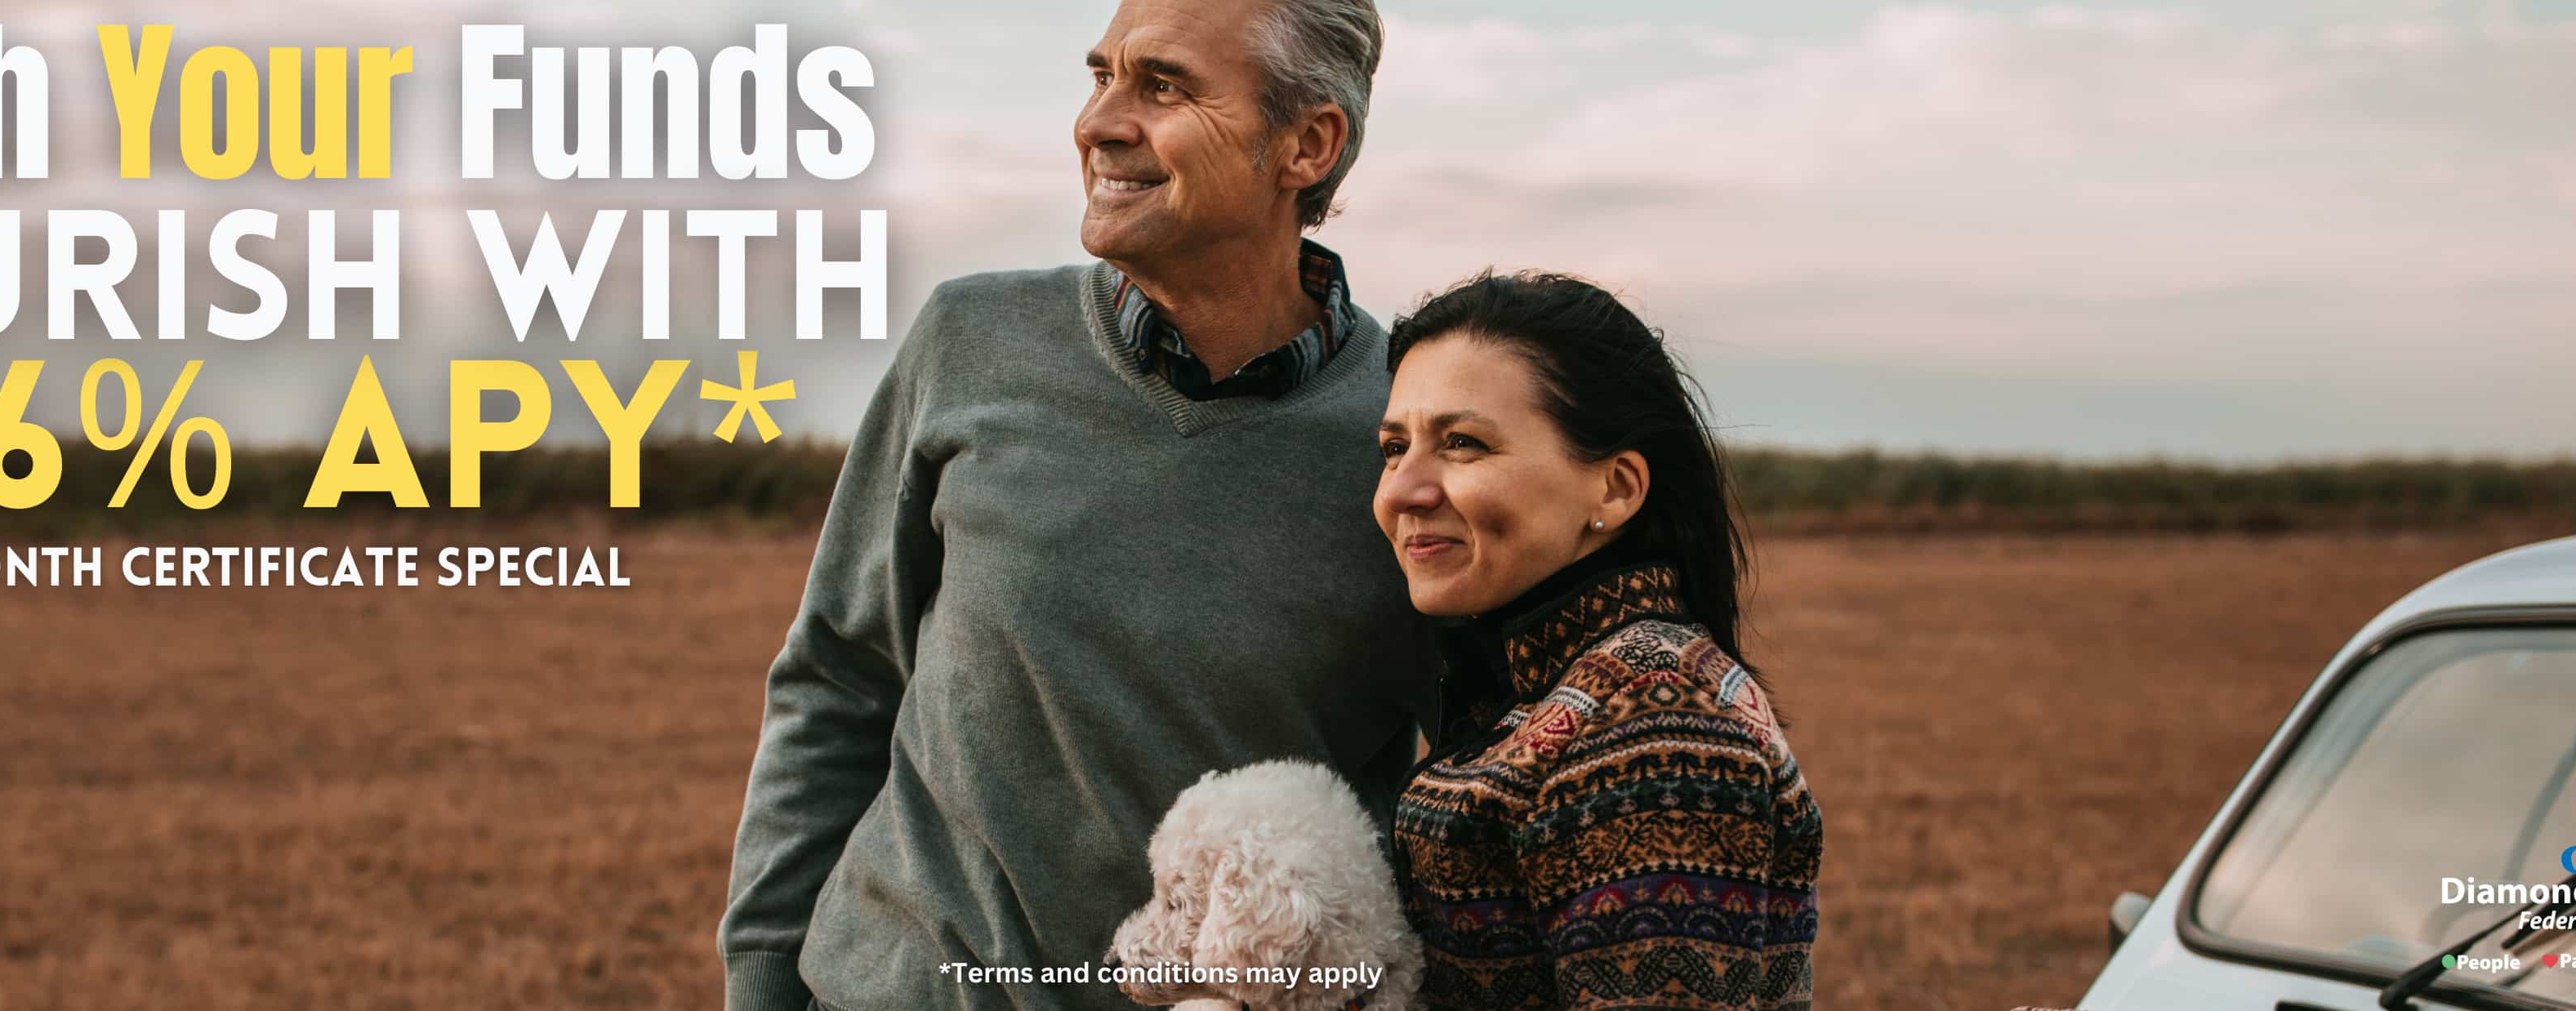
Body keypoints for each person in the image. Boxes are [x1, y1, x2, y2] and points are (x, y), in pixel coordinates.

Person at [717, 1, 1434, 1009]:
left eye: (1164, 85)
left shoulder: (1413, 431)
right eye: (1101, 76)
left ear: (1306, 144)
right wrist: (759, 980)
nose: (1096, 121)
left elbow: (1471, 792)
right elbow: (838, 677)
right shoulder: (969, 338)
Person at [1375, 272, 1822, 1009]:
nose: (1400, 490)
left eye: (1462, 443)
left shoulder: (1655, 724)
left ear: (1614, 489)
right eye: (1395, 448)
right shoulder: (1543, 680)